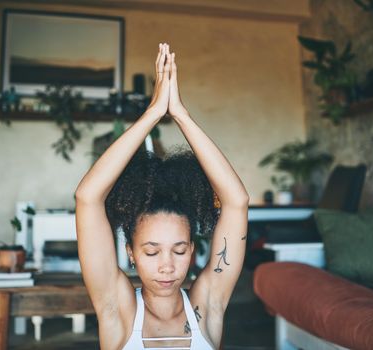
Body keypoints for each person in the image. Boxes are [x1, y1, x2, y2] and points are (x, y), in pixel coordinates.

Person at [75, 43, 249, 350]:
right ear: (130, 252)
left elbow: (236, 201)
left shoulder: (206, 310)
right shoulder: (119, 311)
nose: (167, 266)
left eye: (180, 250)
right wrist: (153, 113)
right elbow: (88, 197)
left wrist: (180, 114)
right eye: (152, 252)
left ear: (193, 250)